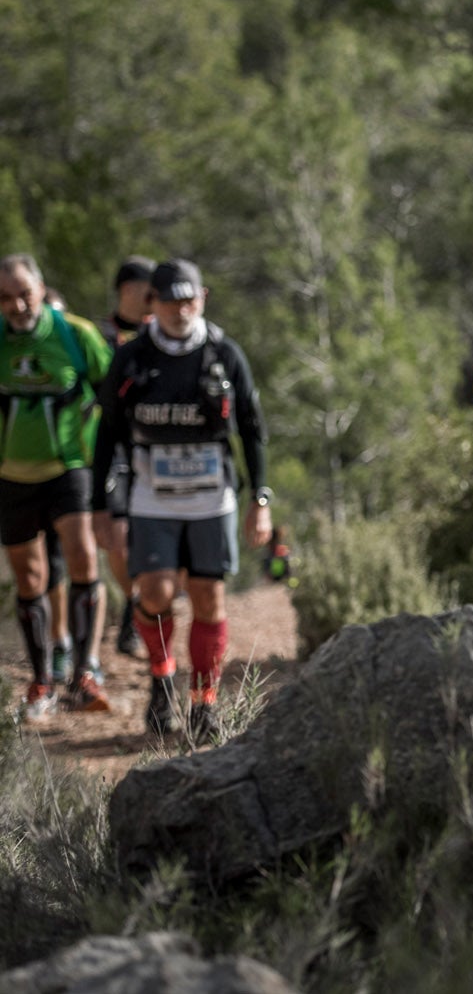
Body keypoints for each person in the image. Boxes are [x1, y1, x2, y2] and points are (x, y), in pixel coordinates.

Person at [91, 260, 270, 741]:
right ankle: (162, 677)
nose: (180, 309)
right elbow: (106, 432)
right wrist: (100, 507)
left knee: (210, 600)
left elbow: (252, 430)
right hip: (153, 499)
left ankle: (204, 701)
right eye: (169, 300)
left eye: (188, 299)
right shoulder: (132, 359)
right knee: (156, 594)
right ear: (153, 303)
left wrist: (262, 497)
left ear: (203, 297)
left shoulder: (224, 353)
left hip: (212, 500)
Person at [1, 254, 115, 717]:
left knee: (83, 555)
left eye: (24, 293)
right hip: (11, 475)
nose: (17, 304)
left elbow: (114, 394)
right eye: (5, 297)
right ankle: (42, 680)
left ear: (41, 288)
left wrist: (114, 461)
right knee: (30, 578)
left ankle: (86, 670)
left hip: (70, 466)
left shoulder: (75, 335)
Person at [96, 255, 155, 659]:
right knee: (117, 543)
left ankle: (148, 610)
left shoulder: (163, 335)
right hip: (113, 447)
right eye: (148, 289)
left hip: (154, 450)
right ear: (127, 290)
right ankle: (132, 602)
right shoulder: (100, 336)